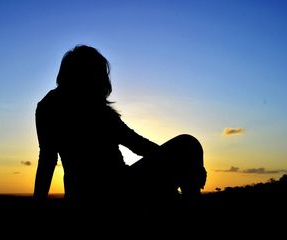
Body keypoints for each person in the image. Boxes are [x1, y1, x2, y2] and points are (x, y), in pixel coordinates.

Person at [33, 44, 207, 213]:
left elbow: (47, 160)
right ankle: (190, 207)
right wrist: (182, 165)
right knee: (188, 144)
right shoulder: (95, 109)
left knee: (185, 149)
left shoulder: (48, 105)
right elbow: (139, 145)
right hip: (119, 190)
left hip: (83, 196)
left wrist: (37, 204)